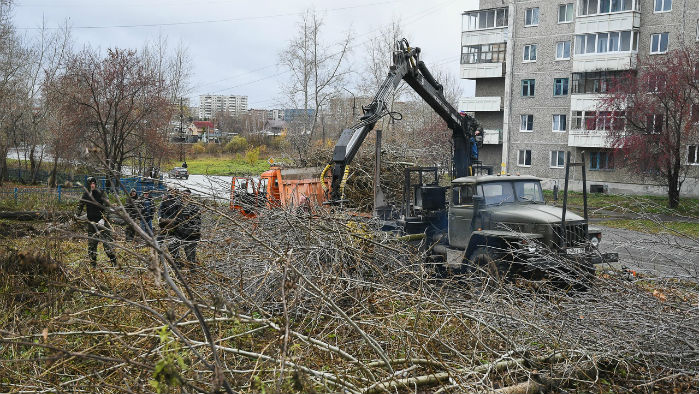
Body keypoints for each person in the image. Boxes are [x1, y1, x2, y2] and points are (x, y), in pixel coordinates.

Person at [76, 176, 117, 267]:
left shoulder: (101, 193)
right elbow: (80, 205)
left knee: (107, 245)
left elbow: (107, 207)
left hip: (102, 223)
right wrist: (77, 215)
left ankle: (114, 263)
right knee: (91, 246)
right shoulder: (85, 195)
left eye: (94, 183)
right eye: (90, 184)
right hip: (91, 224)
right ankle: (93, 265)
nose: (92, 185)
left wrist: (103, 219)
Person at [173, 189, 202, 266]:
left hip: (191, 234)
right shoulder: (178, 205)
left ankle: (193, 270)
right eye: (183, 194)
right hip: (179, 232)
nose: (185, 196)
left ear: (189, 196)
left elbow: (197, 221)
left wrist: (194, 232)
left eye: (187, 195)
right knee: (172, 247)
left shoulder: (194, 207)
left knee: (190, 253)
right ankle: (178, 264)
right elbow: (174, 217)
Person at [158, 188, 182, 263]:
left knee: (174, 237)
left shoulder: (179, 200)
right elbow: (160, 209)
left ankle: (175, 253)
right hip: (165, 221)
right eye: (172, 191)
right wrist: (160, 217)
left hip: (174, 222)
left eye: (175, 191)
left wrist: (177, 219)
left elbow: (180, 210)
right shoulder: (165, 199)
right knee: (162, 235)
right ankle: (157, 248)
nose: (173, 192)